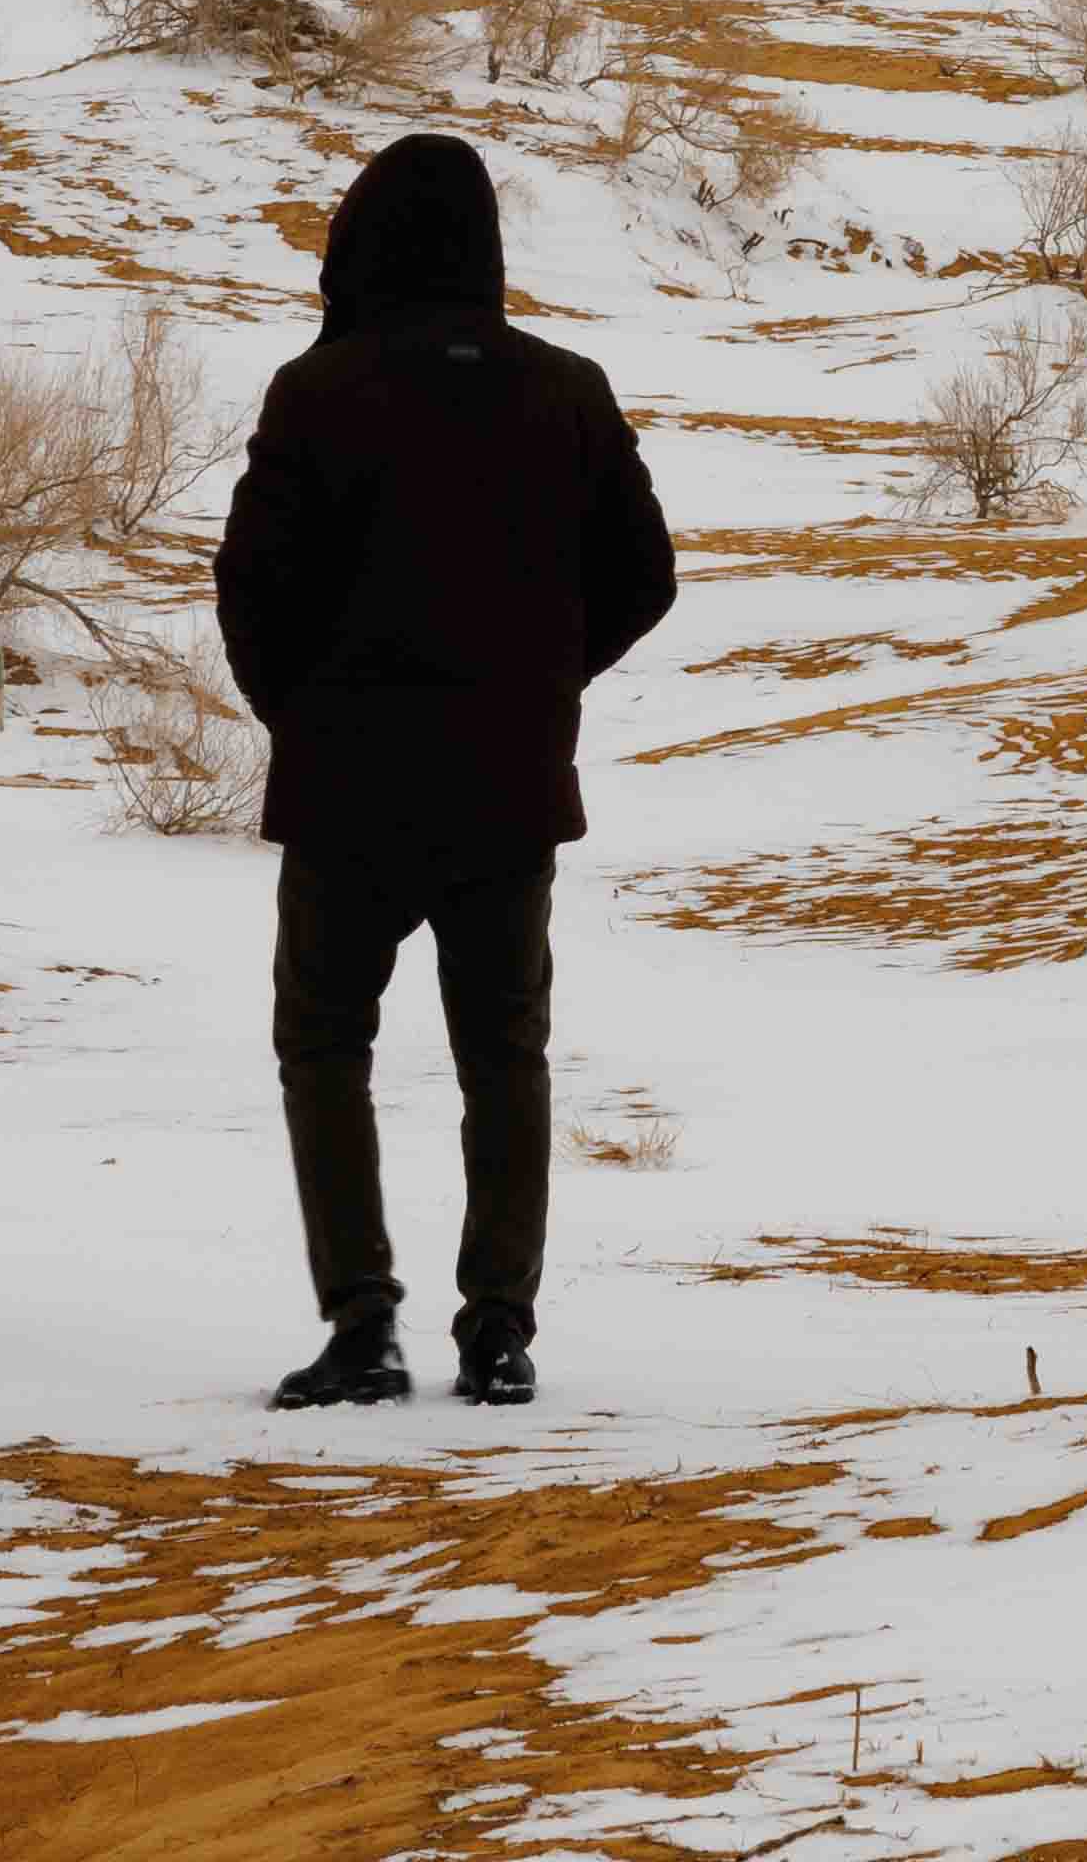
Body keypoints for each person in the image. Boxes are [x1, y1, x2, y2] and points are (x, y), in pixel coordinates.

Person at [217, 134, 675, 1412]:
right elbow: (645, 575)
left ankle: (361, 1322)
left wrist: (300, 713)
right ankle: (500, 1331)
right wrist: (542, 682)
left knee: (323, 1043)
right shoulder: (567, 389)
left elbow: (250, 585)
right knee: (504, 1055)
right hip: (506, 784)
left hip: (346, 786)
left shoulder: (318, 390)